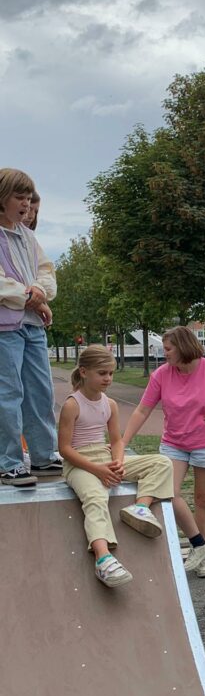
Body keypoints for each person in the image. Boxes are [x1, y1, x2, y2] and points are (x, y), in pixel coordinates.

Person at [122, 326, 205, 577]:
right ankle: (199, 544)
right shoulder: (162, 374)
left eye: (168, 349)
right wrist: (122, 441)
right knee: (167, 493)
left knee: (203, 500)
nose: (165, 354)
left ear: (183, 346)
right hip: (174, 442)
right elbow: (142, 410)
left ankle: (201, 558)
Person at [58, 345, 174, 587]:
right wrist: (98, 470)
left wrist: (118, 463)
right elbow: (65, 450)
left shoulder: (109, 404)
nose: (108, 379)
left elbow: (117, 441)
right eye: (102, 373)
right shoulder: (72, 404)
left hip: (105, 456)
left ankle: (141, 508)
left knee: (161, 462)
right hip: (79, 463)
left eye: (110, 373)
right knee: (95, 498)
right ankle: (103, 559)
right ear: (83, 372)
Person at [0, 168, 61, 487]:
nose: (25, 204)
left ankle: (43, 454)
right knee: (8, 393)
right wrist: (28, 294)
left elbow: (47, 271)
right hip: (4, 329)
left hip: (32, 326)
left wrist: (39, 291)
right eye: (18, 197)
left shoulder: (26, 235)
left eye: (28, 198)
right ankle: (8, 461)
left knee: (40, 391)